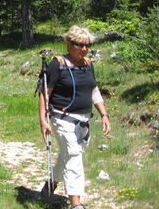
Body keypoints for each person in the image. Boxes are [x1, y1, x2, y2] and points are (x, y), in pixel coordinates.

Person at [39, 25, 111, 209]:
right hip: (62, 118)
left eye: (87, 45)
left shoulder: (88, 64)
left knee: (69, 155)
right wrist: (43, 120)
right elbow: (45, 93)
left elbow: (93, 90)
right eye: (80, 45)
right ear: (69, 44)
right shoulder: (58, 64)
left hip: (83, 120)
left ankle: (52, 182)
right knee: (73, 156)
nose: (85, 49)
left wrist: (104, 114)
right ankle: (76, 204)